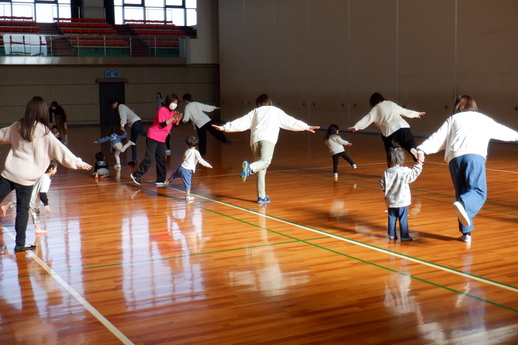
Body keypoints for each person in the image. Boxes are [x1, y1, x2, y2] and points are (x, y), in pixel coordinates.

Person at [416, 95, 518, 244]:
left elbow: (438, 137)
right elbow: (503, 131)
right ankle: (464, 208)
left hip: (454, 160)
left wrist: (422, 149)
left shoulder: (453, 119)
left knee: (463, 194)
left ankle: (466, 234)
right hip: (474, 157)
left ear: (458, 107)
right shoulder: (483, 119)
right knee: (477, 192)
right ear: (474, 106)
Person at [0, 96, 91, 252]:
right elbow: (62, 152)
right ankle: (20, 245)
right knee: (22, 211)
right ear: (43, 111)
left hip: (8, 174)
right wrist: (79, 163)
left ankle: (20, 244)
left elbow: (1, 135)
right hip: (26, 179)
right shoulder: (45, 133)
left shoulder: (17, 125)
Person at [213, 93, 319, 204]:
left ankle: (261, 196)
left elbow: (241, 122)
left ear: (258, 103)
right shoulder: (275, 111)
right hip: (267, 139)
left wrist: (223, 127)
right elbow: (290, 121)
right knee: (265, 162)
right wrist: (305, 126)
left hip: (254, 141)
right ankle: (249, 168)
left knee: (262, 168)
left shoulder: (255, 111)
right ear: (269, 101)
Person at [348, 92, 425, 160]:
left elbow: (367, 118)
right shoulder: (391, 103)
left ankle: (393, 166)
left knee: (391, 151)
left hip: (389, 131)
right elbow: (403, 111)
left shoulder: (375, 109)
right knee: (408, 142)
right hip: (403, 125)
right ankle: (412, 149)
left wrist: (356, 126)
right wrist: (416, 114)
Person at [130, 93, 183, 187]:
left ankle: (160, 180)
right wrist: (173, 118)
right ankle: (136, 175)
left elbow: (175, 124)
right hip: (153, 136)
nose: (174, 105)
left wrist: (177, 119)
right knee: (149, 158)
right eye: (173, 102)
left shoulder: (173, 113)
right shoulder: (161, 110)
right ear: (168, 102)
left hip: (162, 139)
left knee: (161, 159)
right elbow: (163, 124)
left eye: (176, 103)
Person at [1, 160, 58, 234]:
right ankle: (37, 229)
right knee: (36, 213)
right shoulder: (46, 180)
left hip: (29, 195)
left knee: (20, 202)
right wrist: (46, 204)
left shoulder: (40, 175)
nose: (56, 170)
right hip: (34, 200)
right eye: (56, 168)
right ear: (51, 169)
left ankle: (6, 206)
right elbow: (43, 193)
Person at [380, 145, 423, 241]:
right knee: (403, 218)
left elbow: (382, 185)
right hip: (403, 201)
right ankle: (404, 236)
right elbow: (414, 173)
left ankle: (391, 234)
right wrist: (419, 163)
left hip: (390, 201)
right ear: (401, 159)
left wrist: (386, 191)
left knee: (392, 217)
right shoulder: (404, 171)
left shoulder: (386, 172)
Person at [168, 136, 213, 201]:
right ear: (196, 145)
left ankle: (168, 181)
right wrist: (208, 165)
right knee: (188, 183)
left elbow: (183, 158)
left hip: (181, 167)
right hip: (187, 170)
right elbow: (201, 160)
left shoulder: (186, 151)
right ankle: (188, 195)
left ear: (187, 145)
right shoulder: (196, 152)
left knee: (175, 175)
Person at [110, 99, 147, 165]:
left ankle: (155, 135)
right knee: (132, 142)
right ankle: (133, 160)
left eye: (113, 105)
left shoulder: (120, 106)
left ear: (116, 103)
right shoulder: (122, 107)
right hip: (133, 123)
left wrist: (122, 125)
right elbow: (129, 113)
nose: (113, 107)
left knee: (141, 132)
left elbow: (123, 117)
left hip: (135, 122)